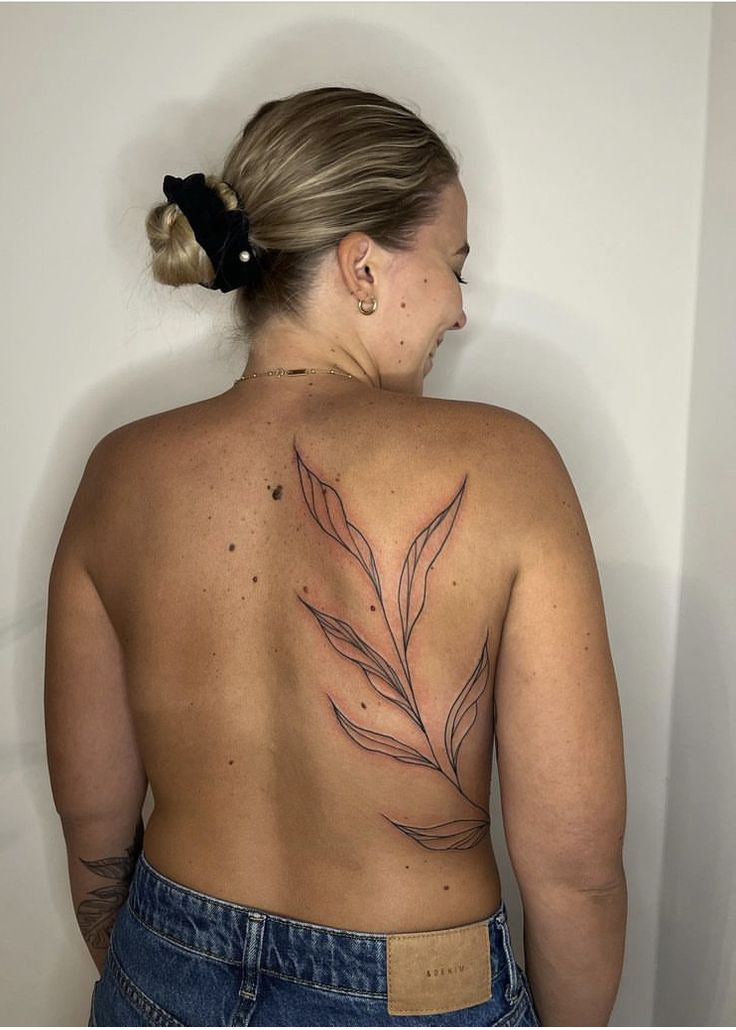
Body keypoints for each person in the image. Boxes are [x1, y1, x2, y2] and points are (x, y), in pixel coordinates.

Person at [44, 85, 627, 1027]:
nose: (458, 313)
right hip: (413, 994)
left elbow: (93, 819)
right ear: (361, 268)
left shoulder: (120, 472)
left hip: (163, 963)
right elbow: (576, 872)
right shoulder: (505, 465)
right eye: (454, 267)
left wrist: (157, 969)